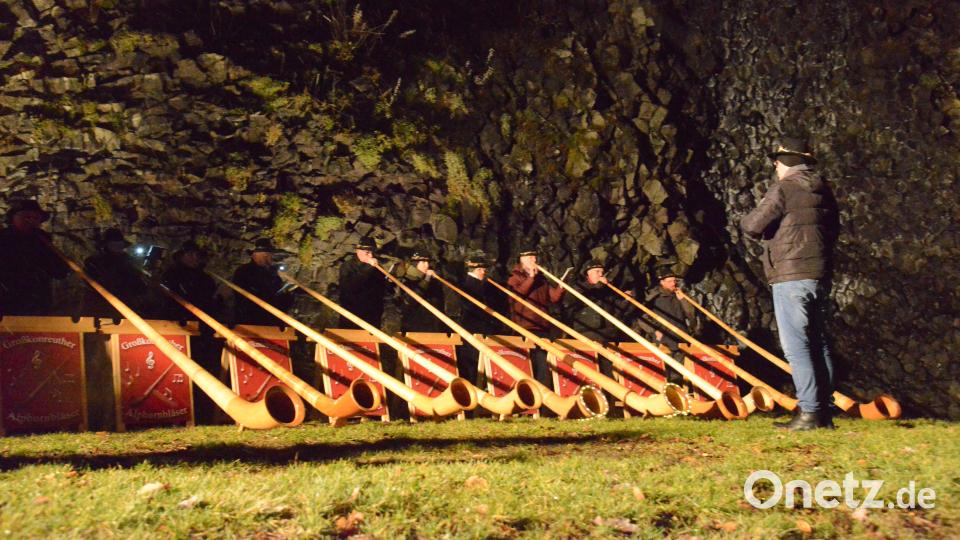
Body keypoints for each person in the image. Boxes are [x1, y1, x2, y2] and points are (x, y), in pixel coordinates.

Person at [741, 136, 839, 431]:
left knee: (796, 345)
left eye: (778, 161)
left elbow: (753, 225)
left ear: (787, 162)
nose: (775, 165)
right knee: (818, 342)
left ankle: (809, 413)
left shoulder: (784, 188)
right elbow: (834, 228)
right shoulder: (823, 188)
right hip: (819, 273)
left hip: (791, 274)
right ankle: (825, 412)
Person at [565, 260, 633, 386]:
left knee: (606, 365)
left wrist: (626, 300)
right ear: (588, 274)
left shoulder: (606, 290)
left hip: (605, 332)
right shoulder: (580, 287)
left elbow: (616, 308)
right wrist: (599, 286)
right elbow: (579, 300)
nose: (601, 274)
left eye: (602, 272)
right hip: (587, 331)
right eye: (597, 272)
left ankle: (609, 392)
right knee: (589, 364)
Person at [507, 247, 565, 388]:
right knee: (533, 360)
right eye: (530, 258)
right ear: (522, 260)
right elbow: (517, 295)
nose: (534, 260)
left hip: (542, 325)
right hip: (526, 326)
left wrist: (561, 287)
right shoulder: (514, 278)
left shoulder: (541, 278)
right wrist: (531, 278)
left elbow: (553, 298)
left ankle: (544, 390)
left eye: (535, 257)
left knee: (544, 361)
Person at [0, 199, 69, 315]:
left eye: (36, 218)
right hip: (7, 301)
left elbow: (59, 272)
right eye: (26, 217)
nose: (31, 221)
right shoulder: (3, 240)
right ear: (13, 219)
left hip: (38, 302)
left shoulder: (42, 241)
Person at [636, 265, 696, 386]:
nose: (673, 283)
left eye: (674, 281)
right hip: (663, 339)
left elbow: (691, 316)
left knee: (679, 373)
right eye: (669, 281)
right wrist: (654, 331)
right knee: (663, 372)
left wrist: (683, 301)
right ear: (662, 282)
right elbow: (641, 317)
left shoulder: (679, 296)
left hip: (680, 338)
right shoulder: (653, 298)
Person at [81, 228, 149, 318]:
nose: (117, 246)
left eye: (119, 244)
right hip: (100, 306)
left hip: (126, 307)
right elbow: (92, 283)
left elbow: (138, 285)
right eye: (114, 244)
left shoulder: (129, 261)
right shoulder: (94, 262)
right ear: (107, 245)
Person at [456, 252, 500, 386]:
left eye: (484, 269)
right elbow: (470, 308)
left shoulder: (484, 286)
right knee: (472, 363)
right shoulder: (467, 286)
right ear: (473, 270)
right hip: (473, 329)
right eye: (480, 269)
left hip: (484, 329)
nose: (483, 272)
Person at [232, 238, 294, 326]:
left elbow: (279, 293)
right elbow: (243, 296)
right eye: (265, 255)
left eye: (269, 255)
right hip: (250, 320)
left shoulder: (272, 274)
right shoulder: (244, 271)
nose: (269, 258)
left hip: (272, 320)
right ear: (254, 255)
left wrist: (287, 294)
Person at [160, 240, 220, 322]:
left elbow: (209, 295)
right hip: (177, 320)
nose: (195, 258)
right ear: (181, 256)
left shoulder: (204, 277)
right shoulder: (172, 274)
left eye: (196, 255)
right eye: (190, 254)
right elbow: (172, 296)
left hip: (202, 320)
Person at [337, 238, 388, 329]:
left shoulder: (376, 267)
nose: (371, 256)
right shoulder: (347, 266)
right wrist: (369, 268)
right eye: (367, 253)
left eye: (372, 253)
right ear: (358, 251)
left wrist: (387, 281)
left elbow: (381, 287)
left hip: (372, 313)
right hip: (353, 312)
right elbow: (350, 287)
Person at [397, 252, 446, 333]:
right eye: (423, 262)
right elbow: (409, 301)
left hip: (433, 326)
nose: (427, 265)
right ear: (415, 263)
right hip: (414, 327)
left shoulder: (432, 281)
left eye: (427, 262)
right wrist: (426, 280)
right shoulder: (406, 280)